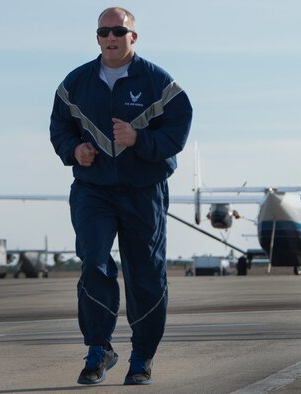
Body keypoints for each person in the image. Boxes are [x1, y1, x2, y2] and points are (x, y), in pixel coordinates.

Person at [49, 7, 193, 386]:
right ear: (97, 37)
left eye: (118, 31)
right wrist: (73, 151)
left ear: (133, 37)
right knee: (93, 261)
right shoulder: (75, 83)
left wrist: (140, 139)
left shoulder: (159, 83)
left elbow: (178, 131)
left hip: (144, 191)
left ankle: (142, 356)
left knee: (145, 273)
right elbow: (59, 126)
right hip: (92, 190)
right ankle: (99, 348)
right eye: (103, 32)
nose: (110, 38)